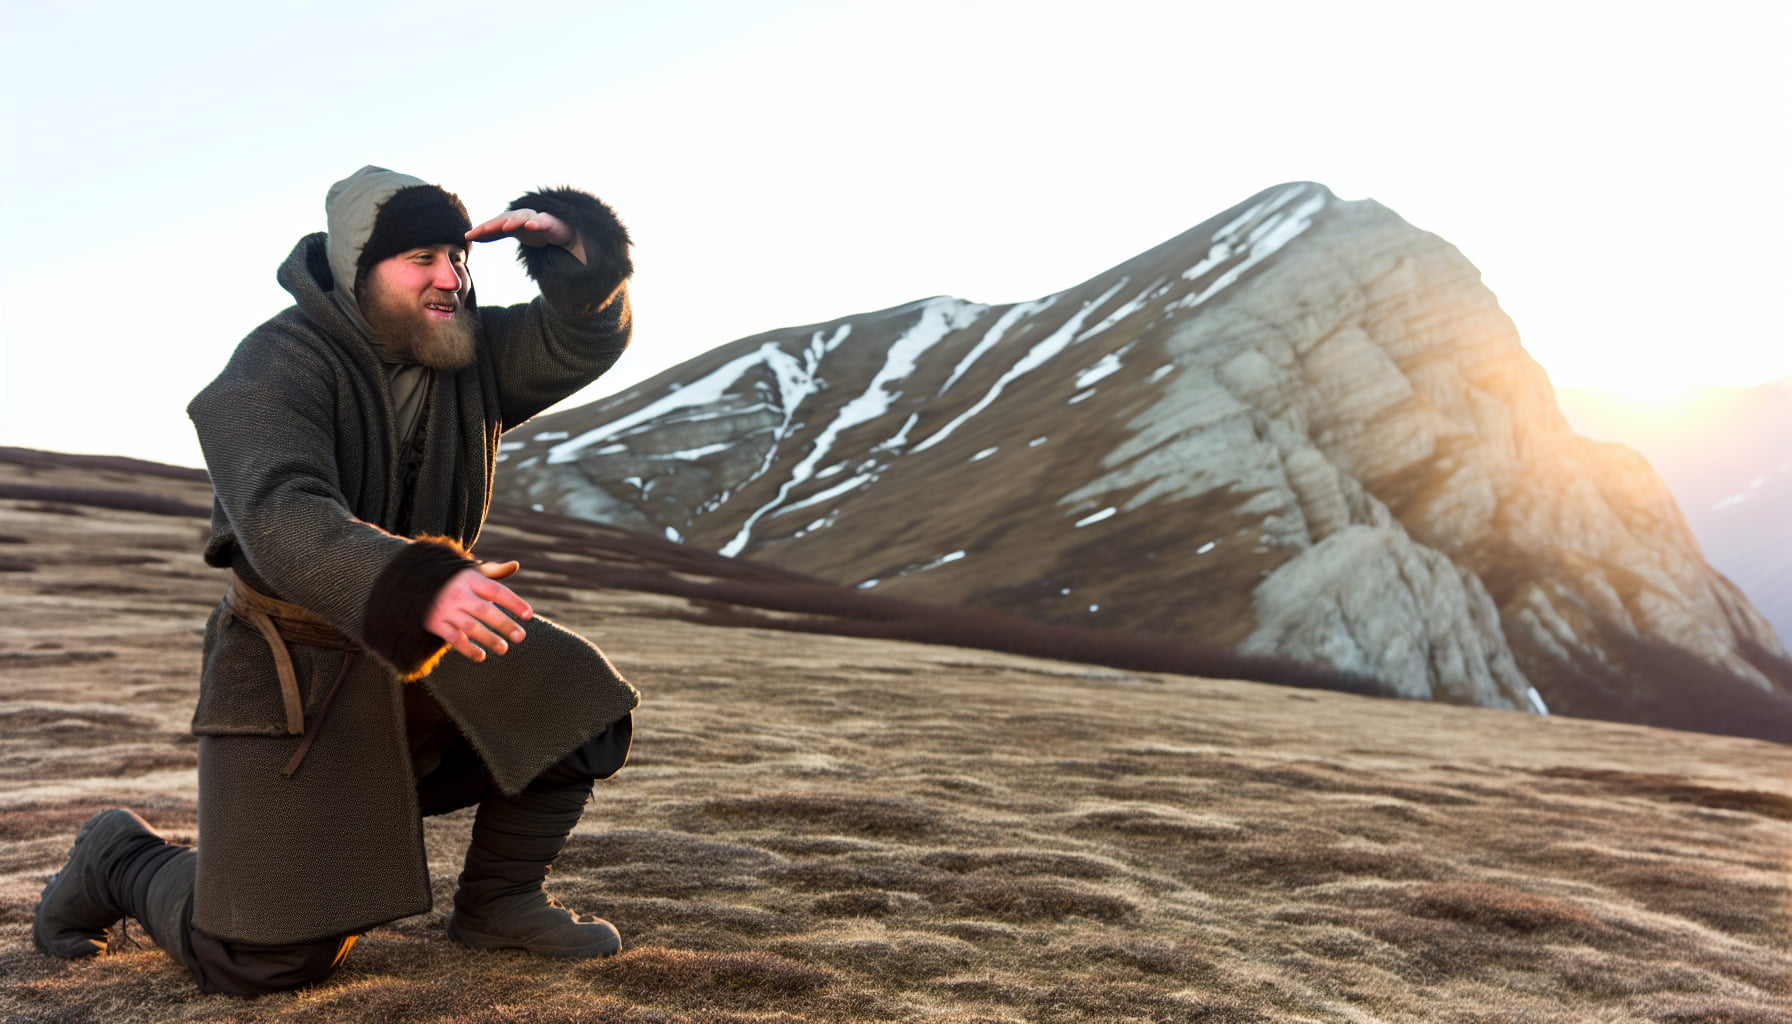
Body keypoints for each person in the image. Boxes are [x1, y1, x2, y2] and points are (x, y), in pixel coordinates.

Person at [32, 166, 641, 996]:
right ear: (360, 267)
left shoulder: (464, 349)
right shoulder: (272, 365)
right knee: (261, 960)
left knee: (573, 706)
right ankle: (122, 858)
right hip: (295, 667)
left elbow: (577, 340)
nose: (449, 278)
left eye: (457, 258)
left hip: (425, 641)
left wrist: (581, 254)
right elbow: (282, 514)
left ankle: (500, 901)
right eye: (422, 257)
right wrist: (415, 582)